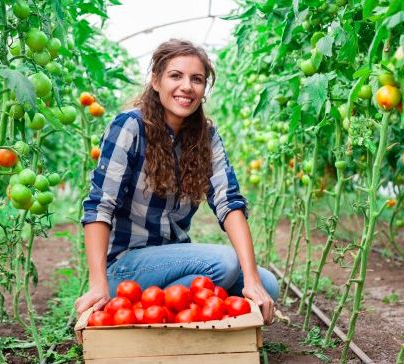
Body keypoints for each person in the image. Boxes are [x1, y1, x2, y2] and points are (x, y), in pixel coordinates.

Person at [74, 39, 278, 324]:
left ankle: (156, 306)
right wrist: (97, 284)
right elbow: (99, 206)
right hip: (126, 265)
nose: (187, 87)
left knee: (267, 285)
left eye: (197, 79)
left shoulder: (205, 136)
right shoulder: (130, 126)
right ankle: (126, 298)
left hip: (170, 259)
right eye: (175, 76)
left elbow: (228, 202)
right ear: (156, 81)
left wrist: (252, 280)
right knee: (226, 264)